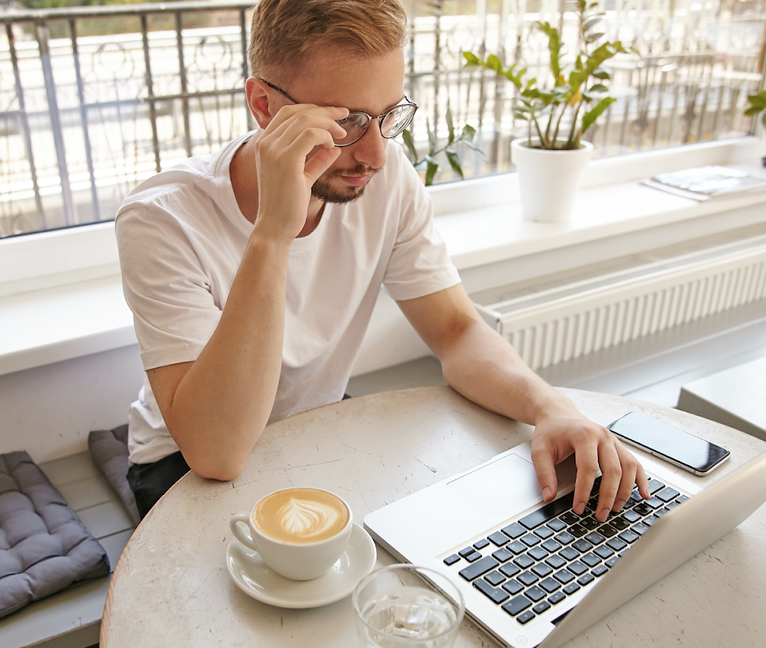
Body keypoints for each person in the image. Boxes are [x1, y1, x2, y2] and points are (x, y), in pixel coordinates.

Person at [115, 0, 649, 520]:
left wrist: (550, 408)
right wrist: (274, 232)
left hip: (312, 424)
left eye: (388, 116)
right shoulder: (161, 219)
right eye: (346, 122)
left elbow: (457, 332)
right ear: (263, 105)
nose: (375, 155)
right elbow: (217, 452)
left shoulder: (386, 178)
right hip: (185, 461)